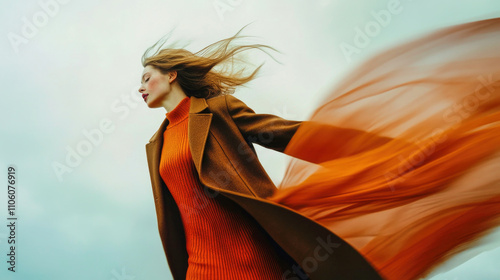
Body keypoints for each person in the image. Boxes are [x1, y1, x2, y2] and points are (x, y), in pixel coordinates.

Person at [141, 17, 500, 280]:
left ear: (172, 74)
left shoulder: (217, 112)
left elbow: (291, 135)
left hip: (252, 260)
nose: (140, 88)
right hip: (197, 268)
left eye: (146, 77)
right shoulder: (156, 145)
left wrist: (398, 156)